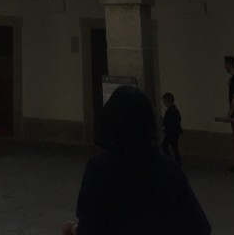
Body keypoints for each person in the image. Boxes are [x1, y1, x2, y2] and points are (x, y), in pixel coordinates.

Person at [60, 85, 211, 234]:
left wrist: (73, 228)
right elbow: (198, 226)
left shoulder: (99, 169)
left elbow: (90, 227)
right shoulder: (168, 168)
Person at [161, 91, 182, 166]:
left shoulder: (170, 111)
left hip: (171, 132)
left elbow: (168, 122)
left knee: (165, 145)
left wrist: (164, 126)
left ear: (167, 101)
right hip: (175, 132)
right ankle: (177, 161)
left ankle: (171, 161)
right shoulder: (175, 111)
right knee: (174, 147)